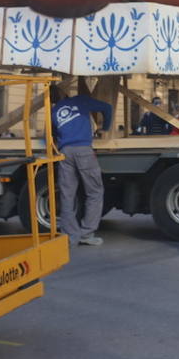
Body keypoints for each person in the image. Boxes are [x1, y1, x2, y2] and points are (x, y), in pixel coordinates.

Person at [51, 81, 111, 246]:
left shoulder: (54, 111)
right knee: (95, 192)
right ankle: (86, 234)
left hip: (65, 153)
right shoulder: (81, 100)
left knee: (67, 195)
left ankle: (69, 236)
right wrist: (104, 128)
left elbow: (52, 135)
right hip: (84, 150)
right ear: (65, 92)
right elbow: (108, 108)